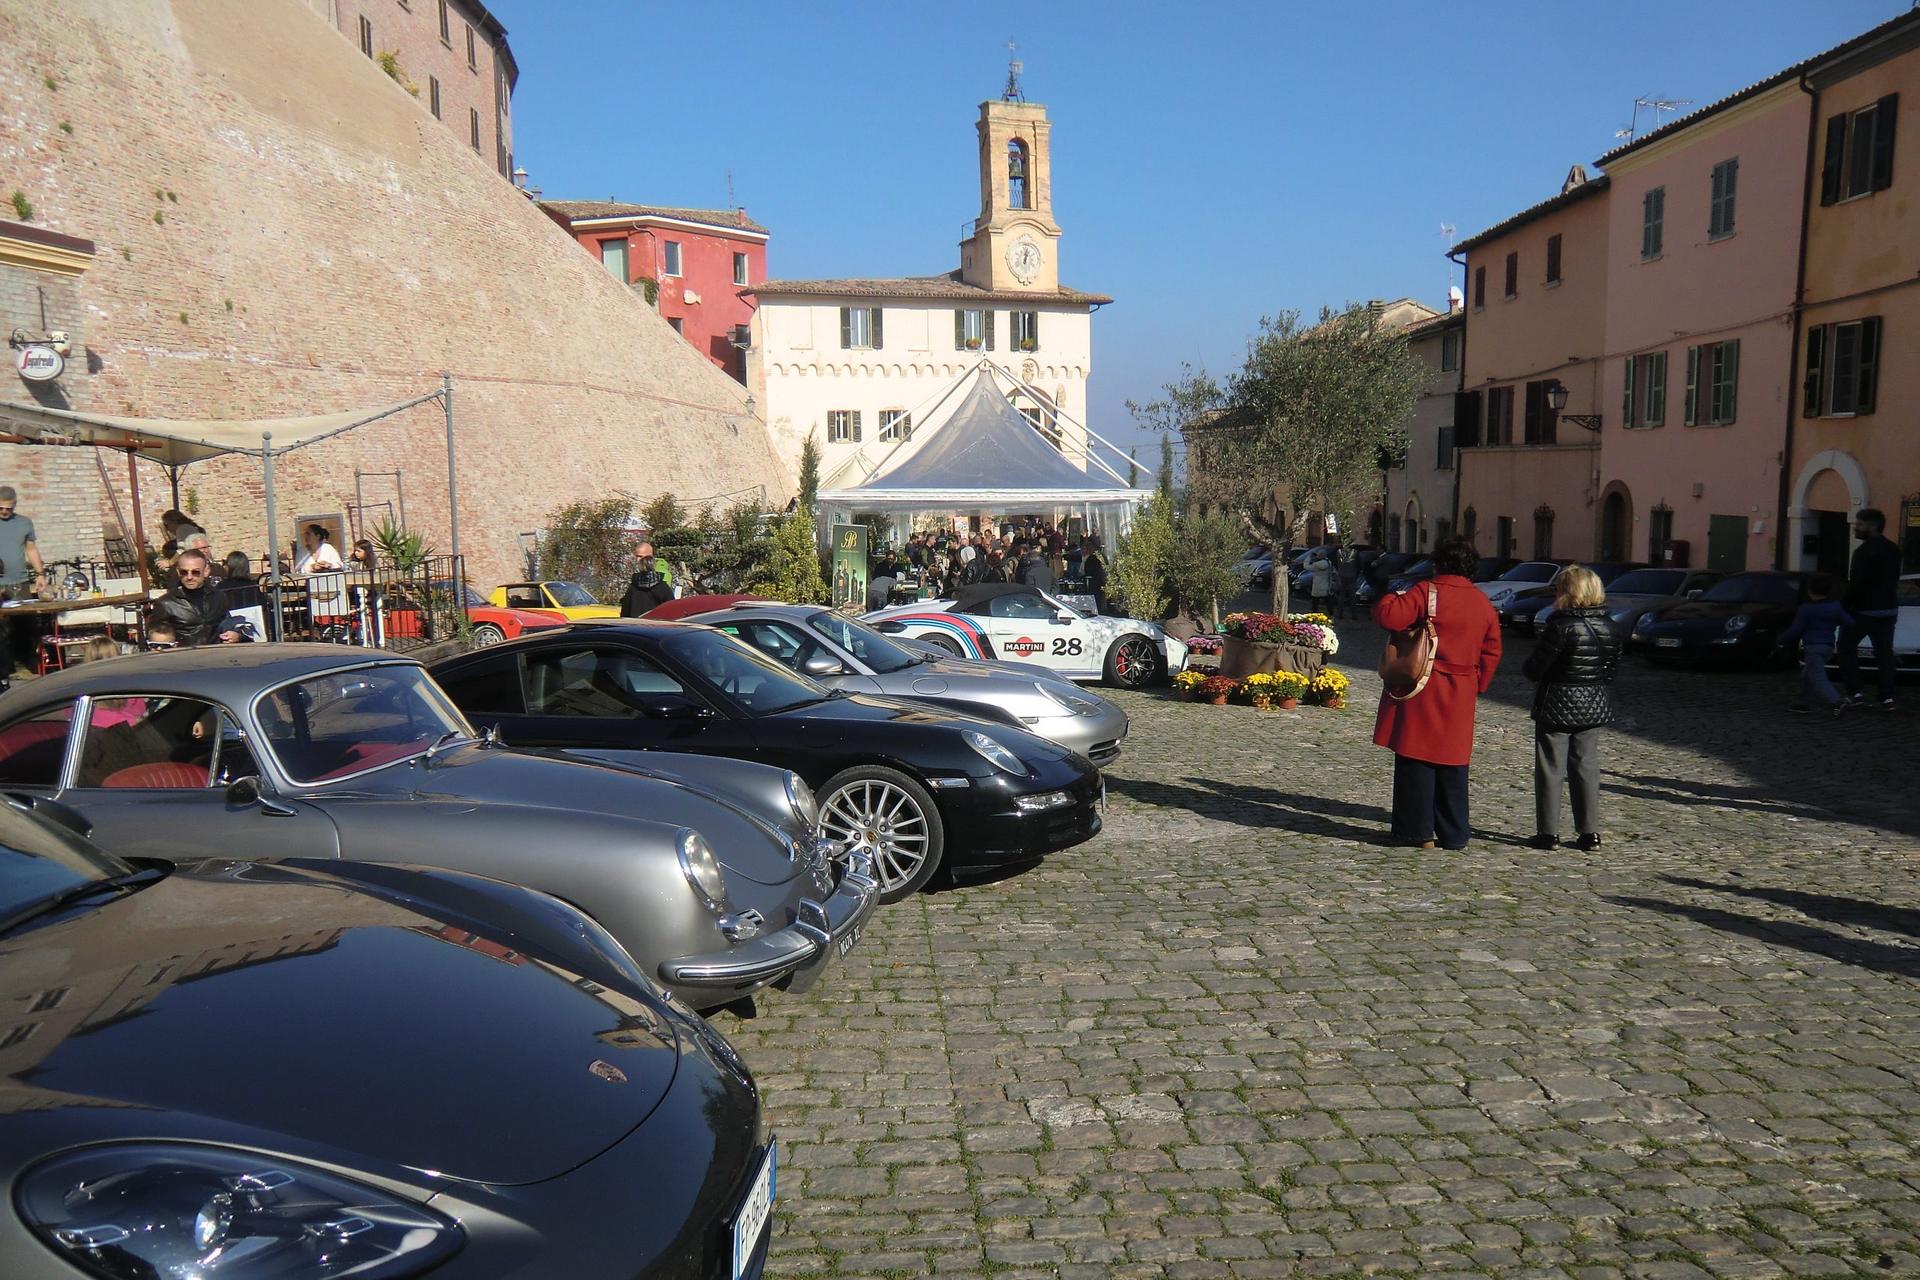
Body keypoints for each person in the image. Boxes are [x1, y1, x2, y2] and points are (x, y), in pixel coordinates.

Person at [1372, 536, 1502, 850]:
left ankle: (1416, 832)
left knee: (1415, 757)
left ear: (1438, 563)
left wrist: (1390, 593)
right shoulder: (1481, 602)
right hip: (1461, 687)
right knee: (1453, 762)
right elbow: (1492, 650)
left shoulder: (1426, 592)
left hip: (1424, 685)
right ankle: (1454, 832)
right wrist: (1479, 684)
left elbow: (1387, 616)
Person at [1522, 565, 1622, 852]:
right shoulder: (1610, 626)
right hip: (1592, 703)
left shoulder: (1560, 626)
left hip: (1557, 702)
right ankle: (1590, 833)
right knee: (1586, 767)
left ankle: (1548, 833)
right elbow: (1611, 671)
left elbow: (1534, 668)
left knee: (1551, 767)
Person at [1838, 508, 1901, 710]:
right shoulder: (1893, 549)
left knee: (1846, 647)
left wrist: (1844, 607)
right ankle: (1886, 696)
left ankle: (1855, 692)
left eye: (1859, 524)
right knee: (1884, 653)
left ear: (1872, 526)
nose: (1855, 528)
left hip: (1864, 610)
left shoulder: (1863, 552)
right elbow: (1894, 579)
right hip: (1888, 609)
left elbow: (1856, 583)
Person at [1776, 575, 1854, 717]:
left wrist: (1780, 639)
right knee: (1809, 674)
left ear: (1810, 591)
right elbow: (1849, 622)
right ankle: (1802, 702)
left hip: (1813, 647)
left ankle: (1836, 701)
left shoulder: (1806, 609)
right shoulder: (1835, 606)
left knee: (1818, 678)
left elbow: (1796, 630)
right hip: (1828, 646)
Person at [150, 550, 240, 646]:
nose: (189, 577)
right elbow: (155, 638)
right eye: (184, 572)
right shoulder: (166, 603)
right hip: (183, 654)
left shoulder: (219, 597)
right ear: (178, 571)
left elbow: (229, 623)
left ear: (206, 571)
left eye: (195, 572)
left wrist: (236, 635)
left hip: (215, 652)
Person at [1081, 535, 1110, 614]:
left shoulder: (1091, 558)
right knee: (1102, 600)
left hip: (1096, 582)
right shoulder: (1101, 555)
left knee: (1097, 601)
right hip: (1103, 580)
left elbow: (1088, 571)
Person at [1307, 545, 1336, 614]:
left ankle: (1314, 614)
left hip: (1317, 585)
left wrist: (1308, 558)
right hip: (1326, 584)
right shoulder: (1328, 563)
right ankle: (1331, 613)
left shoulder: (1316, 564)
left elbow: (1306, 566)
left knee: (1315, 601)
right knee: (1327, 600)